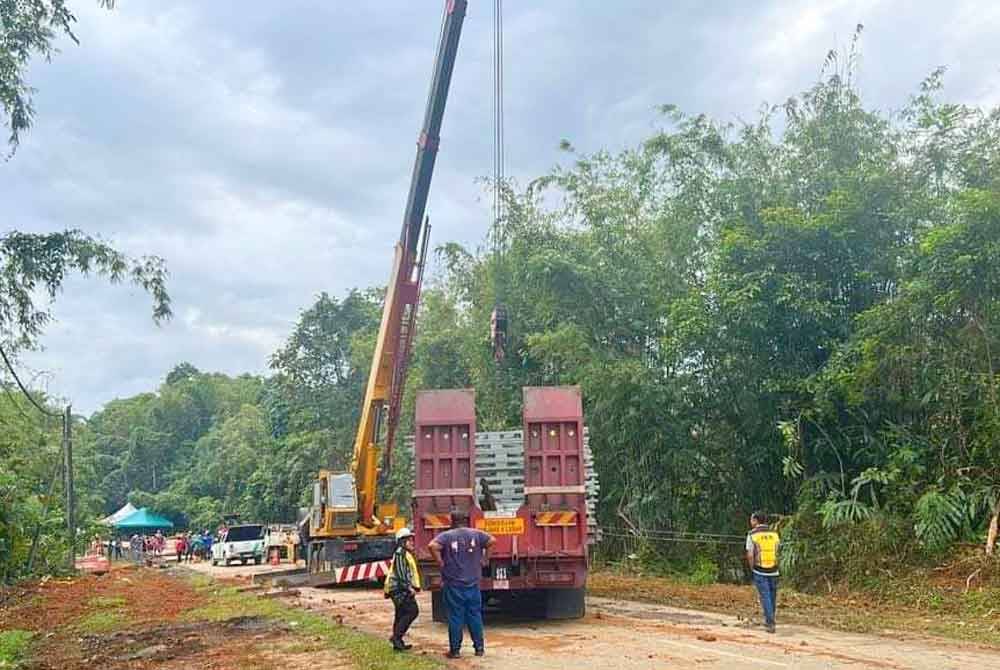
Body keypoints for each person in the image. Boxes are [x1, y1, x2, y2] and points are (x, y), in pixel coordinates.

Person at [428, 510, 495, 659]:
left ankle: (455, 651)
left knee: (455, 617)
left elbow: (432, 546)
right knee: (475, 616)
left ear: (452, 521)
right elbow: (492, 541)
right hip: (472, 584)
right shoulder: (476, 534)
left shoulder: (447, 536)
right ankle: (479, 648)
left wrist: (440, 561)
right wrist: (486, 559)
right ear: (467, 520)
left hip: (453, 584)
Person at [384, 528, 422, 652]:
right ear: (402, 542)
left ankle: (397, 642)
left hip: (399, 588)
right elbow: (401, 573)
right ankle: (396, 638)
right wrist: (408, 587)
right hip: (399, 589)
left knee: (400, 614)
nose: (411, 542)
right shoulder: (401, 553)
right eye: (409, 540)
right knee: (412, 611)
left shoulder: (404, 553)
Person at [746, 510, 780, 634]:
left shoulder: (752, 534)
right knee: (772, 596)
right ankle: (770, 619)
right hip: (774, 569)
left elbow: (750, 555)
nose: (750, 522)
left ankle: (770, 623)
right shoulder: (775, 534)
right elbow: (777, 550)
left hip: (760, 570)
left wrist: (752, 568)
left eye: (751, 519)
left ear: (755, 520)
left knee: (765, 596)